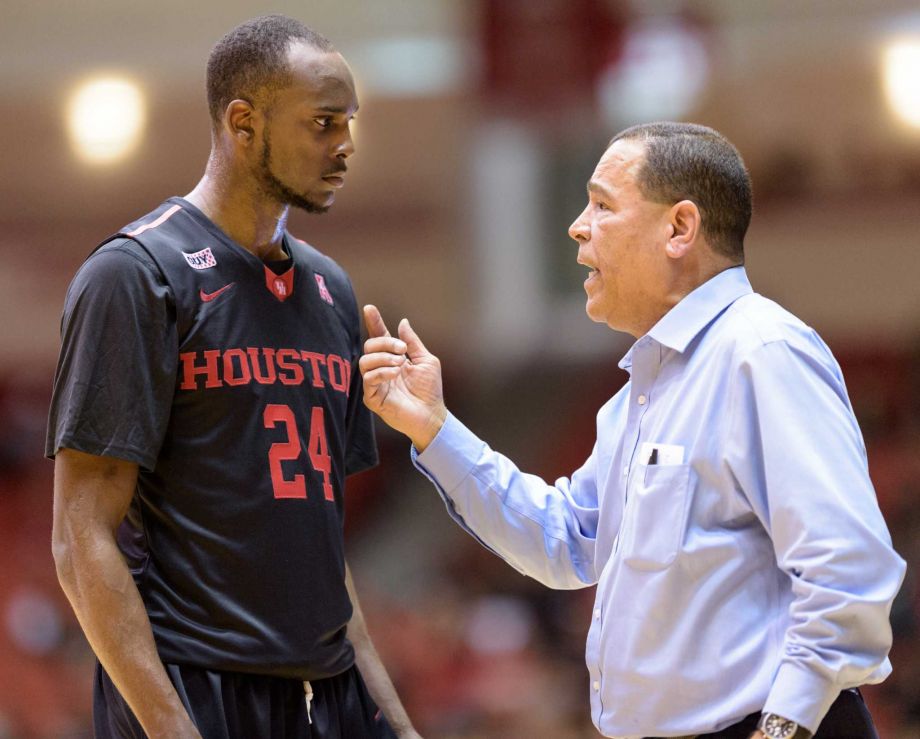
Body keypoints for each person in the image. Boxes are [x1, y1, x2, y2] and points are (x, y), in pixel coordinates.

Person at [359, 122, 906, 739]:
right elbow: (566, 540)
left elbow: (848, 570)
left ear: (679, 229)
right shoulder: (639, 392)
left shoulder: (762, 350)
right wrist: (432, 426)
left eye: (601, 204)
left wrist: (784, 729)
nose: (577, 226)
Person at [47, 15, 419, 739]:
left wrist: (395, 722)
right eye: (322, 122)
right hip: (195, 688)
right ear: (242, 122)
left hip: (325, 691)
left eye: (349, 121)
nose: (344, 144)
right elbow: (79, 535)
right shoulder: (135, 274)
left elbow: (325, 552)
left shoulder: (330, 290)